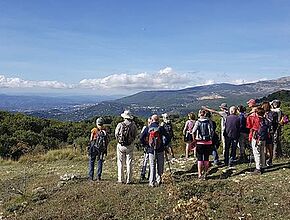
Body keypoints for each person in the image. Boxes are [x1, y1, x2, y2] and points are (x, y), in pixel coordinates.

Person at [140, 114, 169, 187]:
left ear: (152, 120)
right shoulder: (161, 128)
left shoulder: (148, 128)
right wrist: (164, 144)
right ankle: (159, 180)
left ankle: (151, 182)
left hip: (151, 149)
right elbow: (168, 137)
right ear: (158, 120)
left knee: (152, 166)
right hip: (160, 149)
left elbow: (141, 138)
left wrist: (146, 144)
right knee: (160, 166)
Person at [115, 110, 138, 184]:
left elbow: (116, 134)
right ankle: (129, 179)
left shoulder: (120, 125)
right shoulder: (133, 125)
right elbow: (135, 135)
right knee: (129, 162)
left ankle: (121, 179)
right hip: (129, 146)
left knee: (120, 162)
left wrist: (119, 141)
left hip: (121, 145)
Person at [192, 109, 214, 179]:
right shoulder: (209, 121)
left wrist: (194, 140)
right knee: (206, 158)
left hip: (199, 142)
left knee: (200, 159)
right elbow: (212, 131)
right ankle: (206, 173)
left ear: (199, 114)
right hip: (208, 142)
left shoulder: (198, 122)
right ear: (205, 114)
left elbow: (193, 131)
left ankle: (199, 174)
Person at [247, 107, 268, 174]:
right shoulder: (265, 119)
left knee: (256, 153)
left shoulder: (256, 119)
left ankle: (258, 168)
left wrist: (251, 113)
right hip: (263, 138)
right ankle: (263, 166)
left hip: (256, 139)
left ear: (256, 113)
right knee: (262, 152)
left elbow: (248, 125)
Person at [262, 101, 278, 166]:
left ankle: (269, 160)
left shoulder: (273, 114)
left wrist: (273, 131)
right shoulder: (264, 113)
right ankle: (265, 160)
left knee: (269, 147)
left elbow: (274, 123)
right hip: (265, 132)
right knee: (265, 147)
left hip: (269, 132)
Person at [139, 117, 152, 181]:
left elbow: (141, 137)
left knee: (145, 160)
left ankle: (143, 174)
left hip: (147, 147)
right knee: (151, 162)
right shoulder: (155, 129)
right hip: (152, 147)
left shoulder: (146, 128)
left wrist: (144, 144)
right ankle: (150, 175)